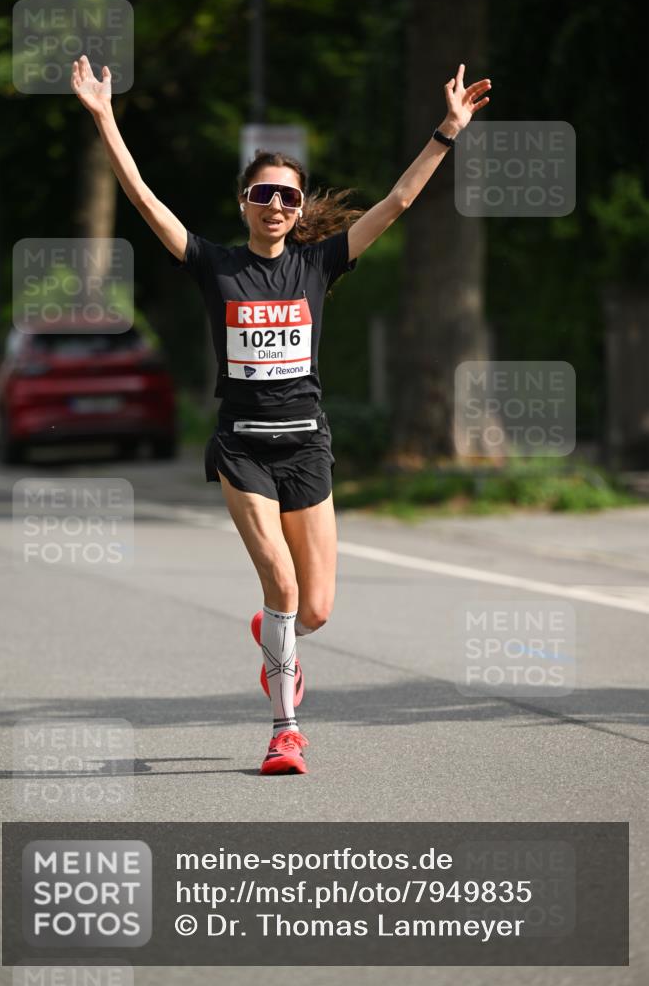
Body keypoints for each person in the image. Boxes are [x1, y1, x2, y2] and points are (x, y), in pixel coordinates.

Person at [71, 56, 491, 776]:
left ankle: (277, 635)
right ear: (244, 202)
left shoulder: (318, 265)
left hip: (306, 448)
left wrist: (446, 131)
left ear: (298, 210)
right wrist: (106, 117)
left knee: (314, 609)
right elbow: (142, 197)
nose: (275, 205)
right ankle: (284, 731)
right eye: (263, 193)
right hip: (243, 450)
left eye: (287, 197)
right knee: (284, 586)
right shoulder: (214, 264)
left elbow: (396, 202)